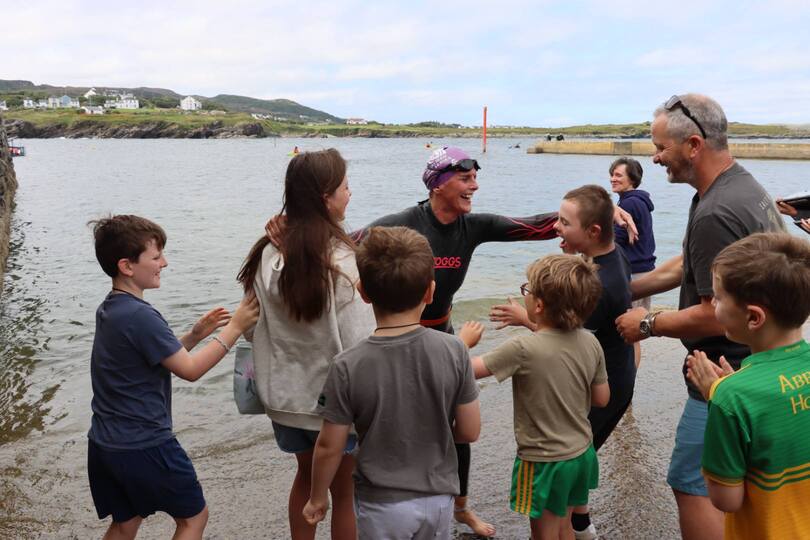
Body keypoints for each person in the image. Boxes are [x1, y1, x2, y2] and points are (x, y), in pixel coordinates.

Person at [267, 145, 637, 537]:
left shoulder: (472, 228)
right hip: (399, 336)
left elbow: (530, 226)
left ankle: (459, 507)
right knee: (395, 421)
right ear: (438, 184)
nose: (474, 186)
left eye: (475, 178)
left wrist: (604, 215)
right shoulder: (402, 223)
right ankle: (404, 494)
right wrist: (291, 233)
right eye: (465, 178)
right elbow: (341, 242)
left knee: (458, 426)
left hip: (440, 334)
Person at [614, 94, 786, 540]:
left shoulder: (716, 211)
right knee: (748, 485)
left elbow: (715, 315)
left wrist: (647, 325)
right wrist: (624, 289)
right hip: (765, 367)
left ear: (693, 145)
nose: (655, 158)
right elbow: (691, 264)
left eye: (660, 148)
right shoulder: (739, 187)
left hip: (725, 373)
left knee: (693, 485)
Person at [302, 226, 481, 539]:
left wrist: (318, 497)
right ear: (430, 292)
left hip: (380, 502)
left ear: (363, 292)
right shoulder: (455, 350)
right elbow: (469, 430)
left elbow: (330, 445)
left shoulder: (347, 365)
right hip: (439, 497)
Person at [87, 215, 259, 540]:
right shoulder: (141, 315)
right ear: (127, 266)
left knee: (126, 522)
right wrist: (235, 328)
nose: (164, 263)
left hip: (105, 444)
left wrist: (194, 336)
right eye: (156, 257)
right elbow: (190, 370)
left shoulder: (111, 309)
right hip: (144, 444)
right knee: (193, 518)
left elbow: (149, 361)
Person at [237, 149, 375, 540]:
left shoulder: (266, 253)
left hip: (284, 400)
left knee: (304, 477)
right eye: (345, 186)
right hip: (335, 407)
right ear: (326, 197)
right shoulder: (342, 260)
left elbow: (251, 327)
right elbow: (360, 342)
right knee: (344, 492)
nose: (350, 193)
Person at [490, 185, 635, 539]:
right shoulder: (611, 258)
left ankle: (570, 526)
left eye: (565, 222)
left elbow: (560, 342)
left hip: (600, 389)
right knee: (575, 471)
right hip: (613, 377)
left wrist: (524, 319)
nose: (555, 226)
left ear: (593, 231)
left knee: (559, 474)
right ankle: (579, 523)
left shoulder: (600, 285)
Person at [461, 254, 609, 540]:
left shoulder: (522, 348)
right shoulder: (591, 341)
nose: (524, 295)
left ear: (538, 305)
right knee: (564, 525)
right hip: (581, 454)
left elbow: (466, 370)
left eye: (527, 290)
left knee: (543, 532)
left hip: (543, 461)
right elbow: (601, 398)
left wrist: (462, 343)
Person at [684, 232, 810, 539]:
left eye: (718, 297)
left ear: (753, 317)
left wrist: (717, 396)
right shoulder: (736, 392)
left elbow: (727, 499)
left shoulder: (730, 398)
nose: (712, 303)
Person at [609, 157, 656, 369]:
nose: (613, 179)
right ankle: (630, 376)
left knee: (628, 332)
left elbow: (616, 240)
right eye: (612, 174)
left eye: (618, 175)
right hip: (646, 272)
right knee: (635, 332)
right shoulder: (638, 201)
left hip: (634, 273)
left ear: (632, 179)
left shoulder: (630, 203)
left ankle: (627, 377)